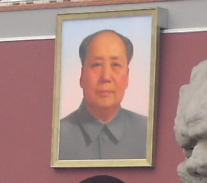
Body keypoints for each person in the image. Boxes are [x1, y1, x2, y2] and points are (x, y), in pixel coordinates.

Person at [59, 30, 147, 160]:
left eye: (115, 65)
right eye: (97, 65)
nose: (106, 77)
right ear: (82, 75)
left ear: (127, 76)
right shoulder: (57, 135)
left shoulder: (147, 132)